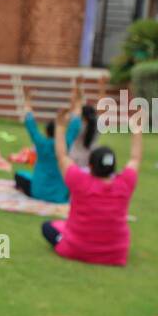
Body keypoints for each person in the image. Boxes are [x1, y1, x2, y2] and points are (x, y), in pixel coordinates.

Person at [42, 102, 143, 266]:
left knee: (48, 227)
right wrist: (137, 130)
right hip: (115, 252)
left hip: (77, 248)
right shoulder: (124, 183)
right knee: (62, 225)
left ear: (90, 166)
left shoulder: (79, 180)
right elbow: (135, 159)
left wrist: (60, 127)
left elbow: (61, 156)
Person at [15, 87, 80, 203]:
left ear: (46, 131)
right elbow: (76, 122)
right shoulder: (66, 143)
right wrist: (77, 100)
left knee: (20, 176)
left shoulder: (41, 143)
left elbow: (30, 123)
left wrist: (28, 100)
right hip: (60, 196)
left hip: (38, 192)